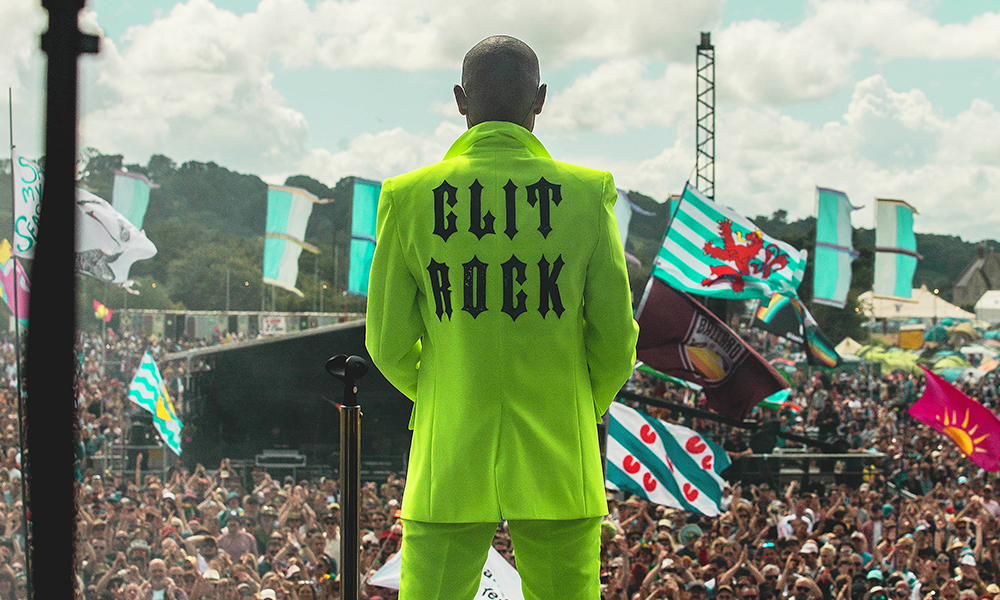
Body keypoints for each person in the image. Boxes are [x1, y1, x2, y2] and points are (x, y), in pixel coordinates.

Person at [365, 34, 638, 600]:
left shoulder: (407, 196)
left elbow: (386, 342)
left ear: (460, 99)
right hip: (561, 457)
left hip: (448, 455)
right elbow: (616, 343)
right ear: (541, 99)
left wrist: (443, 393)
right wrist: (575, 406)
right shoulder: (589, 193)